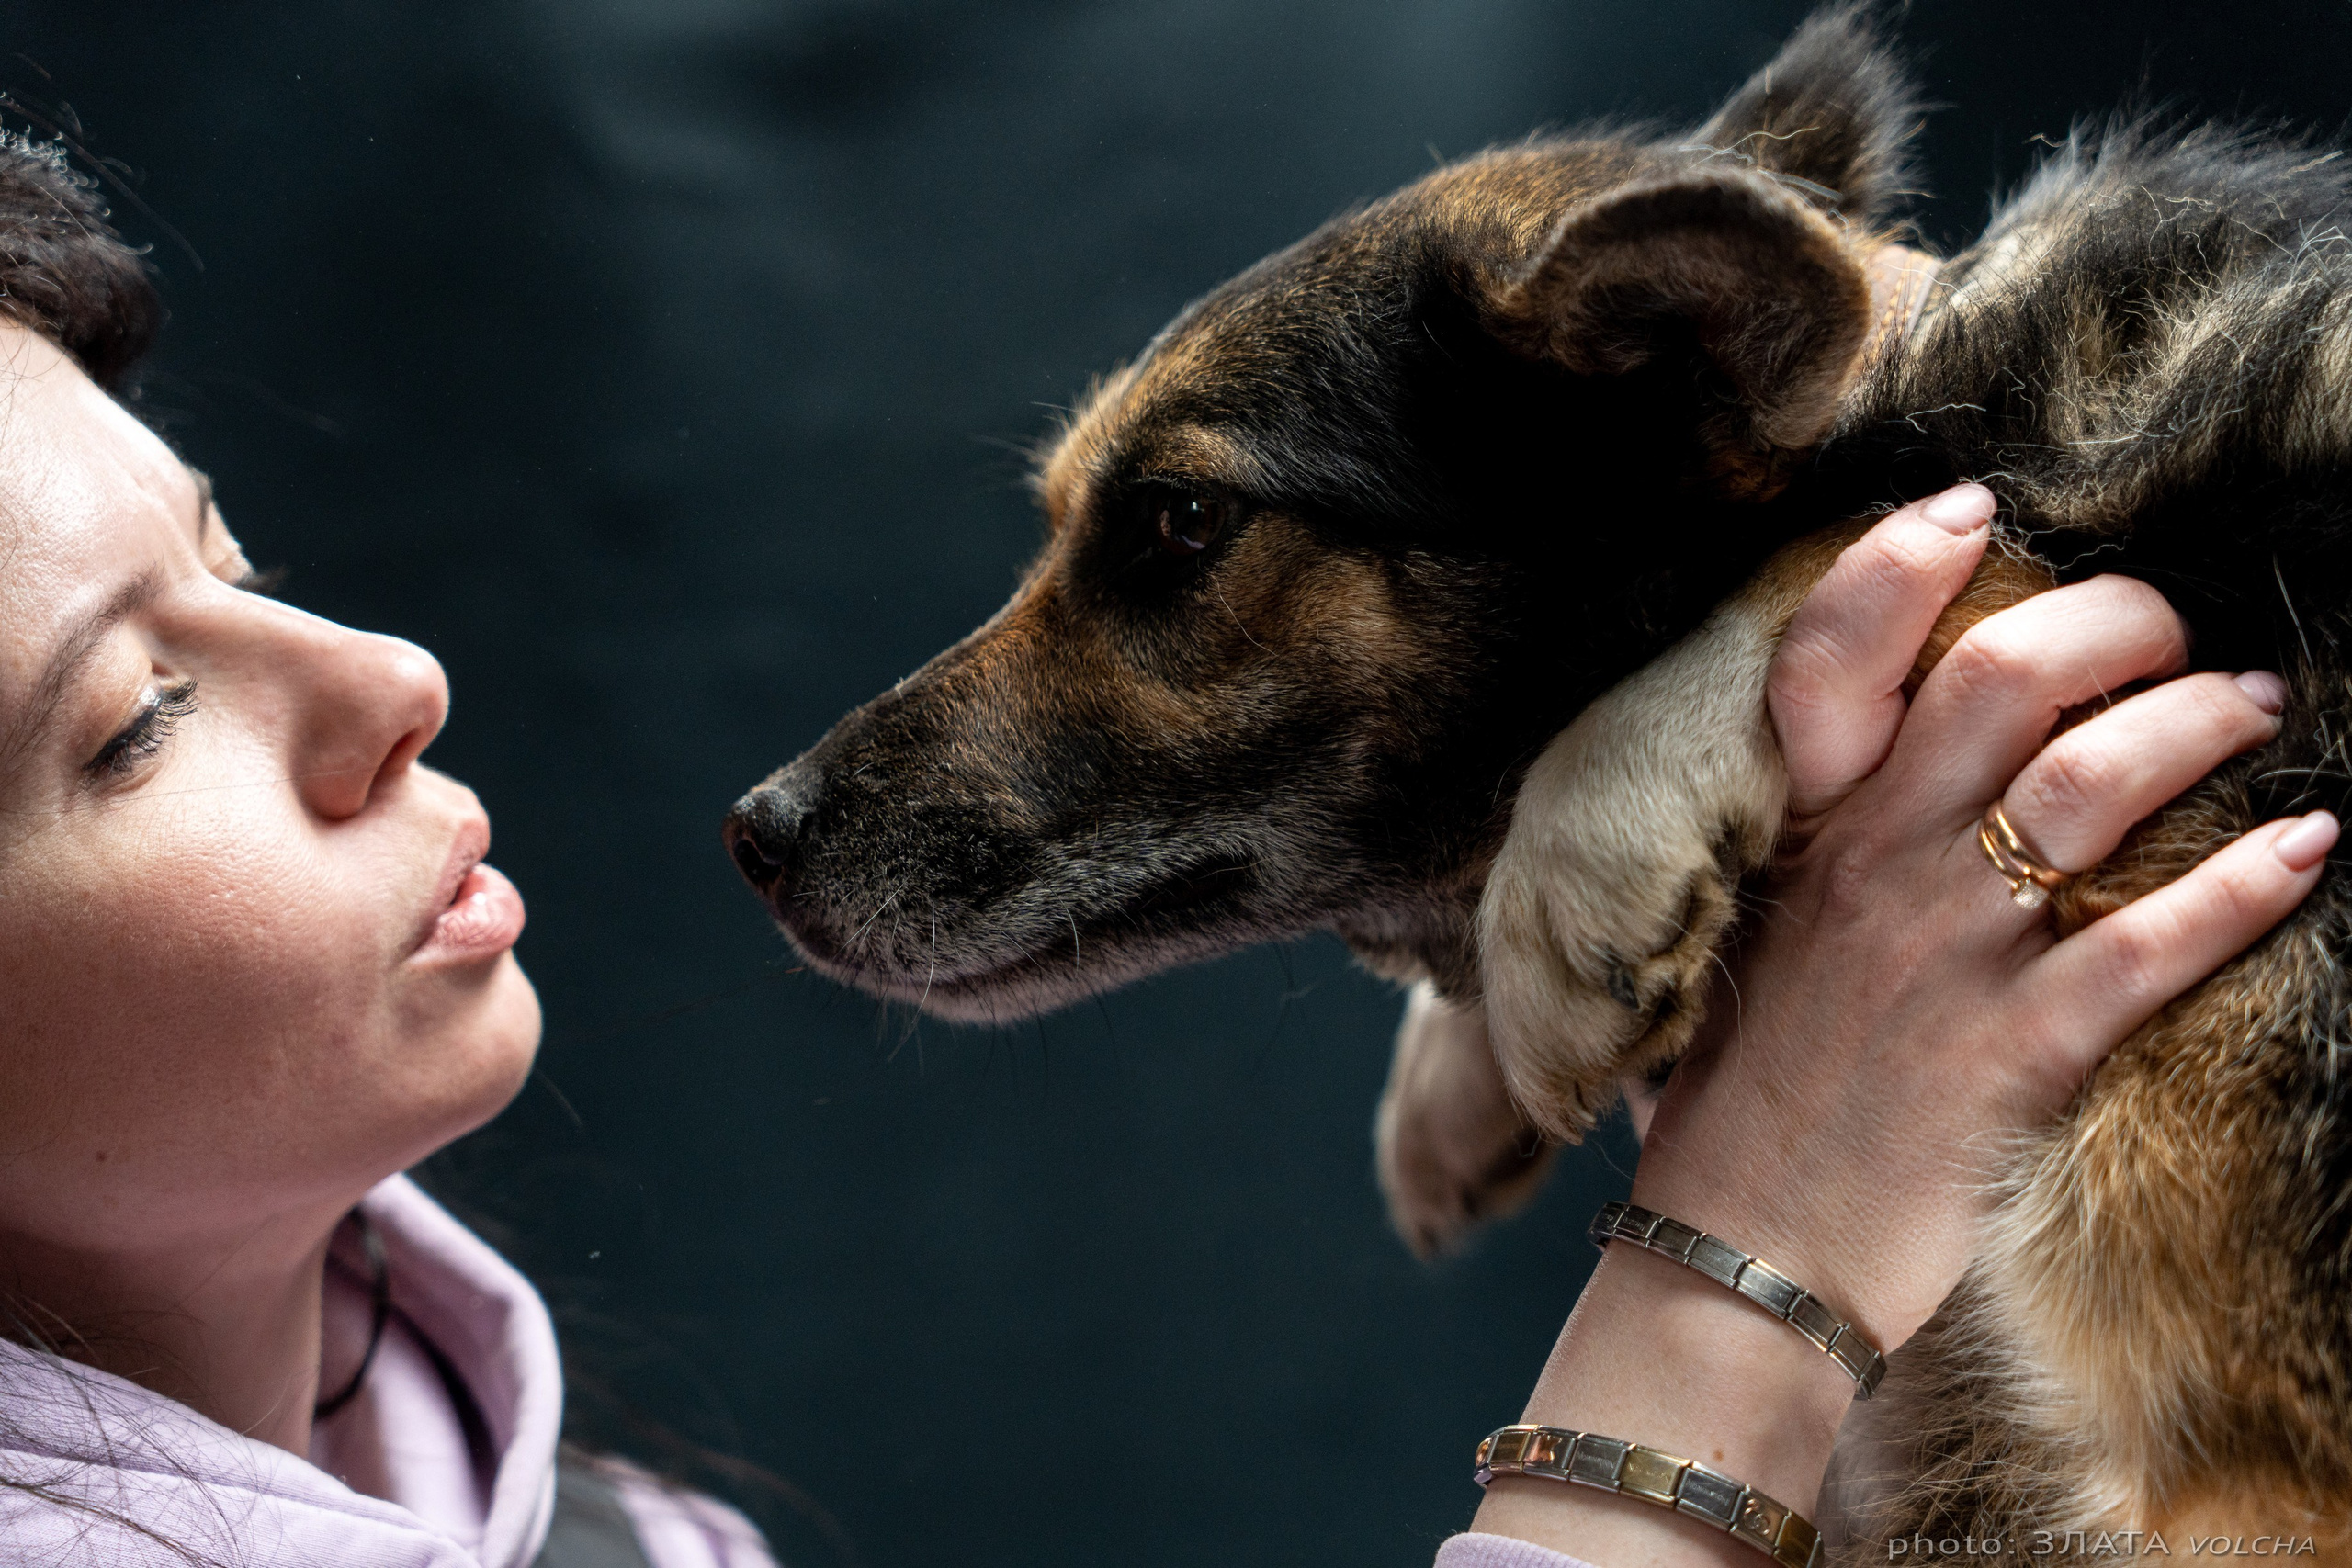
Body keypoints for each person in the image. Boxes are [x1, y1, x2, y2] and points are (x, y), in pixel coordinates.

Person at [0, 136, 2325, 1567]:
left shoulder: (589, 1517)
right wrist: (1749, 1255)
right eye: (131, 716)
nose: (388, 667)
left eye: (239, 546)